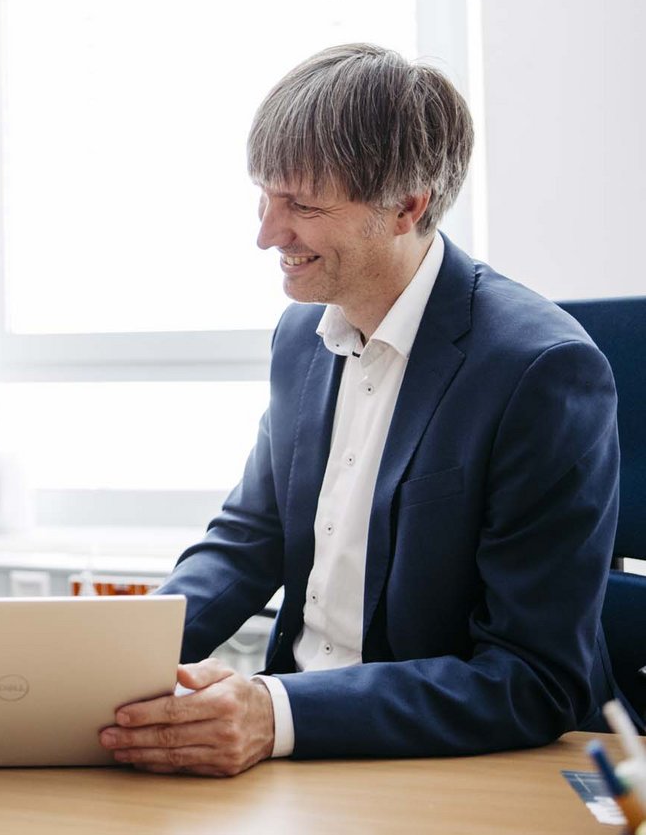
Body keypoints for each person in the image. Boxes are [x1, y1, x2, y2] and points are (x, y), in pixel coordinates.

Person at [98, 43, 620, 775]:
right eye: (264, 196)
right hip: (290, 757)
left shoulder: (540, 371)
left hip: (437, 763)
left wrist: (276, 712)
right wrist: (107, 659)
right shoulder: (301, 337)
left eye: (303, 207)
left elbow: (535, 677)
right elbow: (251, 535)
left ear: (407, 207)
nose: (267, 234)